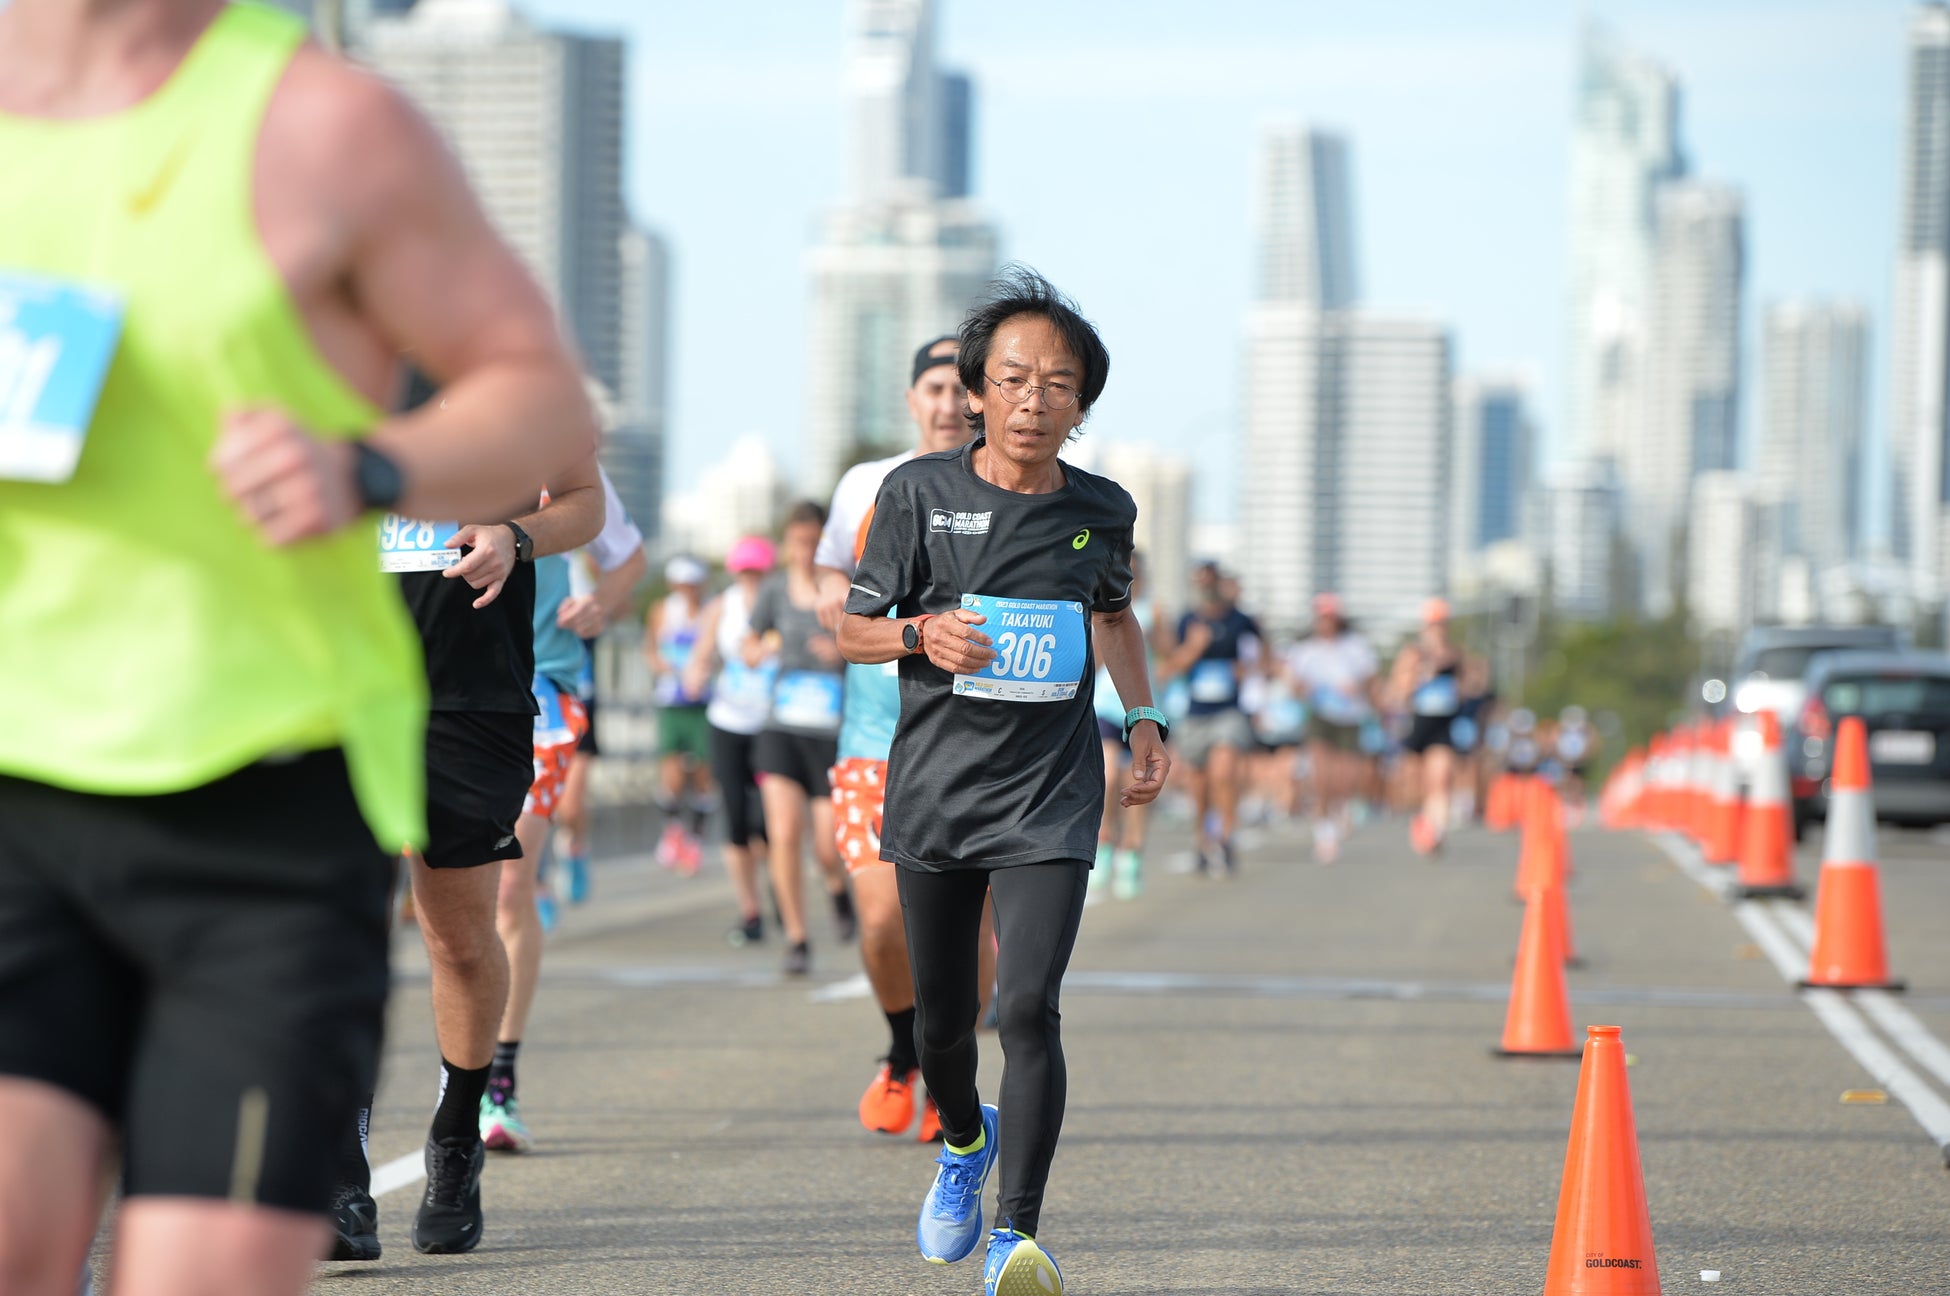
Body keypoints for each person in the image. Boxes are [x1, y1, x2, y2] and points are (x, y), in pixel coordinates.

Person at [0, 1, 596, 1291]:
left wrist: (376, 464)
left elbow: (541, 394)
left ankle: (447, 1135)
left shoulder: (322, 124)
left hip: (264, 786)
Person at [838, 267, 1170, 1296]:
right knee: (945, 1026)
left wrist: (1146, 714)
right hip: (937, 792)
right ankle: (961, 1142)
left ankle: (1016, 1236)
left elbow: (1112, 614)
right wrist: (918, 631)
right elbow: (848, 629)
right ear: (975, 390)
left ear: (1081, 403)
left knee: (1026, 1007)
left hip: (1051, 798)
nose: (1035, 400)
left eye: (1058, 384)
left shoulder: (1101, 510)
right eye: (1015, 379)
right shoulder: (917, 494)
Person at [816, 335, 996, 1140]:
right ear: (913, 398)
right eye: (935, 387)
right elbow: (831, 578)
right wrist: (841, 610)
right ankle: (903, 1052)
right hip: (874, 734)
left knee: (974, 936)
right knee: (883, 919)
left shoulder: (1016, 486)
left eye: (966, 388)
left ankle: (951, 1077)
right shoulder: (868, 484)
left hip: (983, 742)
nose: (951, 402)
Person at [480, 468, 646, 1156]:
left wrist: (601, 604)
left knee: (512, 882)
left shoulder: (553, 453)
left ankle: (499, 1081)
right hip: (428, 687)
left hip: (539, 686)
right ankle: (454, 1064)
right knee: (444, 899)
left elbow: (627, 556)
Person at [747, 501, 855, 976]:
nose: (805, 552)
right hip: (781, 727)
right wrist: (757, 650)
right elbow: (749, 641)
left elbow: (873, 644)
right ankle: (797, 938)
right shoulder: (773, 590)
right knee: (783, 834)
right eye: (798, 543)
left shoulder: (845, 591)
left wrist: (840, 651)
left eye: (814, 543)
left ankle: (837, 891)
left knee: (828, 847)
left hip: (830, 731)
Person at [549, 473, 650, 906]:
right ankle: (532, 886)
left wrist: (601, 604)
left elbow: (627, 569)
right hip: (512, 685)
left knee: (571, 806)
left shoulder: (585, 561)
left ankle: (575, 850)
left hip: (573, 690)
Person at [689, 536, 778, 945]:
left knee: (768, 823)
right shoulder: (720, 606)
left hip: (773, 723)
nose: (749, 579)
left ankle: (780, 888)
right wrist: (696, 670)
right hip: (728, 721)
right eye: (743, 571)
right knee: (736, 821)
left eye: (756, 571)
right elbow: (703, 651)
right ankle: (751, 912)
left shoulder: (780, 602)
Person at [1157, 563, 1263, 875]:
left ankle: (1228, 837)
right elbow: (1170, 667)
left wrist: (1249, 671)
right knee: (1199, 784)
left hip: (1229, 711)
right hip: (1195, 713)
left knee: (1224, 770)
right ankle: (1203, 840)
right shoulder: (1188, 621)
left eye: (1210, 581)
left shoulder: (1242, 620)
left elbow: (1264, 658)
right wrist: (1194, 647)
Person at [1284, 593, 1379, 863]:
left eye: (1330, 617)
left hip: (1350, 717)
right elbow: (1294, 685)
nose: (1325, 622)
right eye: (1321, 617)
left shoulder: (1356, 646)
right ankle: (1324, 831)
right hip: (1320, 716)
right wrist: (1308, 689)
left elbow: (1371, 680)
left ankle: (1340, 807)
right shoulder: (1304, 650)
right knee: (1321, 776)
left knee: (1345, 778)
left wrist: (1357, 688)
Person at [1091, 554, 1157, 899]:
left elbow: (1166, 656)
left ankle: (1132, 851)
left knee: (1138, 780)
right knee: (1107, 776)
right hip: (1104, 705)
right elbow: (1096, 656)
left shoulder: (1153, 612)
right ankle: (1104, 843)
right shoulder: (1099, 606)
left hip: (1139, 709)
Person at [645, 556, 714, 873]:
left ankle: (696, 837)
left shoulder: (711, 611)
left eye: (692, 584)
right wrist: (666, 666)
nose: (687, 590)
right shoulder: (662, 611)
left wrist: (704, 670)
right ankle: (673, 831)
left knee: (702, 771)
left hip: (704, 702)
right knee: (671, 768)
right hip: (672, 700)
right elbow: (651, 651)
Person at [1388, 598, 1466, 856]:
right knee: (1415, 784)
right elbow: (1399, 691)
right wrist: (1422, 674)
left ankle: (1436, 831)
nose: (1439, 629)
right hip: (1417, 721)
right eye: (1434, 624)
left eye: (1442, 624)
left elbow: (1467, 689)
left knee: (1440, 778)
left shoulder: (1455, 655)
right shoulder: (1413, 653)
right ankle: (1422, 820)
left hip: (1443, 722)